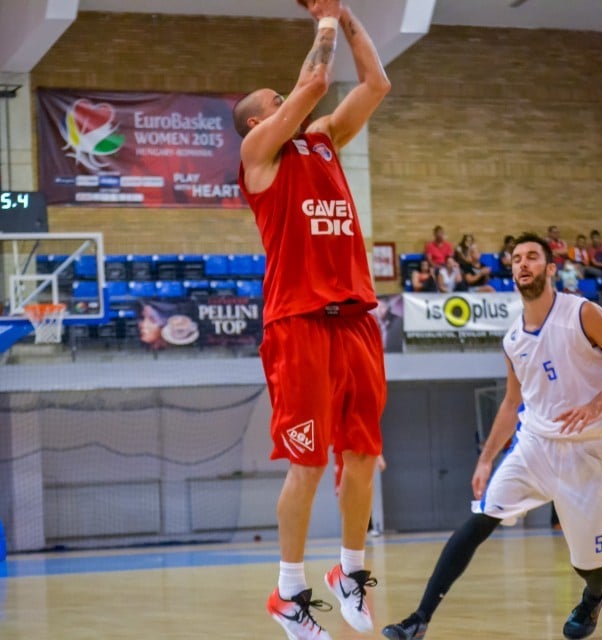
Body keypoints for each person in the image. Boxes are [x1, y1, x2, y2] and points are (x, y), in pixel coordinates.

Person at [382, 233, 602, 640]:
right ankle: (419, 619)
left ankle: (594, 597)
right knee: (480, 519)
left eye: (532, 257)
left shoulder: (583, 313)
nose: (523, 264)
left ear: (551, 268)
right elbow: (511, 404)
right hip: (534, 446)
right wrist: (486, 458)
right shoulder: (512, 339)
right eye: (516, 259)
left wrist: (594, 406)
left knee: (589, 563)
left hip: (586, 451)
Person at [232, 2, 390, 637]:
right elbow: (316, 82)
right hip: (297, 319)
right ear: (261, 117)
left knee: (363, 453)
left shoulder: (322, 140)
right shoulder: (258, 153)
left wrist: (348, 19)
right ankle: (288, 590)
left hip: (353, 316)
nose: (286, 92)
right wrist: (324, 17)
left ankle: (348, 570)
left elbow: (377, 84)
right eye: (276, 95)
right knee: (309, 463)